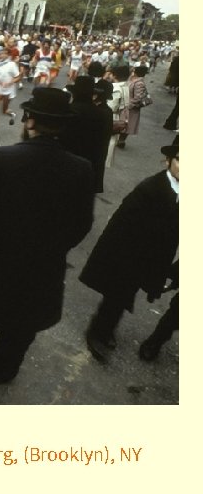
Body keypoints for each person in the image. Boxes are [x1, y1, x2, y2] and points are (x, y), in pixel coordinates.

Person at [0, 87, 94, 383]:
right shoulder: (82, 169)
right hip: (39, 269)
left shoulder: (3, 157)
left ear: (30, 121)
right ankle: (4, 371)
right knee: (20, 327)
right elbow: (81, 225)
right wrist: (52, 249)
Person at [81, 136, 179, 364]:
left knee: (123, 297)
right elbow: (122, 226)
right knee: (116, 296)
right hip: (127, 256)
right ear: (168, 161)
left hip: (148, 259)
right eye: (179, 160)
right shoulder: (151, 189)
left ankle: (106, 329)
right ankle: (97, 332)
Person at [0, 46, 20, 130]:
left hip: (8, 90)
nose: (2, 55)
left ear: (8, 55)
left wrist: (10, 82)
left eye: (4, 53)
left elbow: (18, 77)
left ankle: (12, 114)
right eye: (1, 53)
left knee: (4, 111)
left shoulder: (12, 64)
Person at [119, 65, 150, 148]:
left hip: (131, 108)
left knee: (127, 125)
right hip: (126, 105)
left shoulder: (139, 83)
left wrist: (128, 105)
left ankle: (121, 141)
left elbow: (138, 97)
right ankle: (120, 140)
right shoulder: (133, 79)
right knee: (123, 123)